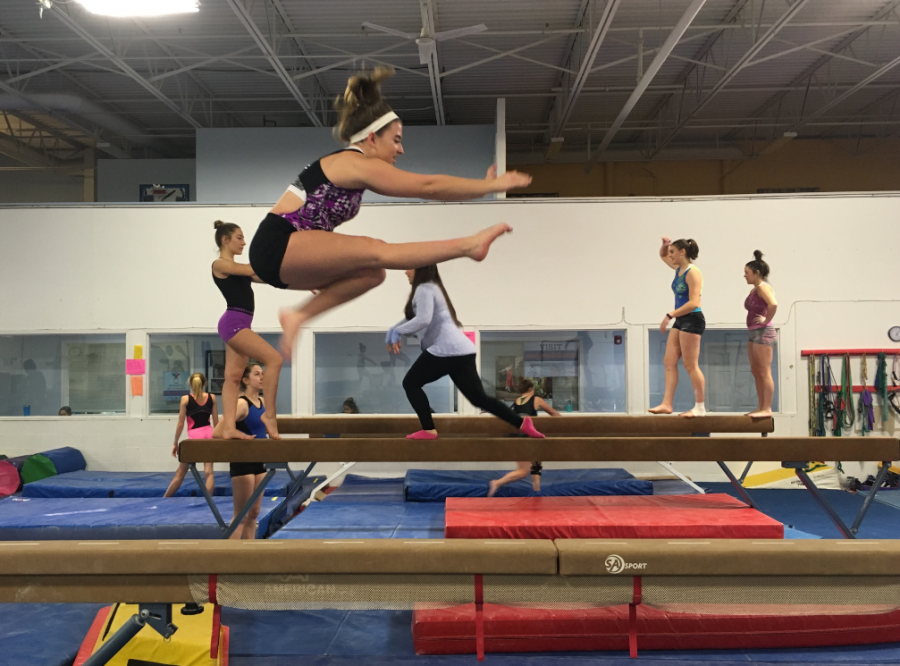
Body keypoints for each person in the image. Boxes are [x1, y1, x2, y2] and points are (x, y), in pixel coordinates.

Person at [248, 67, 531, 360]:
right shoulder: (354, 163)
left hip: (284, 259)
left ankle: (297, 316)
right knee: (375, 250)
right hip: (276, 244)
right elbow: (428, 186)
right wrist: (489, 186)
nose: (401, 149)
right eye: (395, 140)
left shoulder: (353, 168)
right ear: (372, 138)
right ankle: (468, 245)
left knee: (373, 273)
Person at [387, 265, 545, 441]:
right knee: (479, 399)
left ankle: (428, 429)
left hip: (445, 350)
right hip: (463, 350)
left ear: (420, 269)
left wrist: (396, 332)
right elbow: (413, 317)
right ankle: (522, 423)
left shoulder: (424, 288)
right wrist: (393, 330)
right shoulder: (432, 288)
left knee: (411, 383)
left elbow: (423, 319)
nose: (405, 272)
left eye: (409, 268)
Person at [212, 221, 283, 441]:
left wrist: (300, 278)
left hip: (239, 324)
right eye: (239, 238)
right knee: (275, 360)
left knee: (233, 378)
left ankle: (230, 427)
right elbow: (251, 269)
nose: (244, 242)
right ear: (226, 240)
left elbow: (269, 278)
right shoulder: (220, 265)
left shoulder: (239, 270)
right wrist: (274, 253)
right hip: (234, 323)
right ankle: (269, 416)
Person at [649, 237, 706, 418]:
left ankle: (700, 407)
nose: (670, 255)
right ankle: (667, 404)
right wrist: (664, 247)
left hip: (692, 318)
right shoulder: (679, 269)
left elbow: (694, 302)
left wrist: (670, 315)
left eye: (673, 251)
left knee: (690, 364)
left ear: (683, 252)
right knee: (669, 361)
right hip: (681, 319)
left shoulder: (692, 272)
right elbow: (662, 256)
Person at [488, 378, 561, 497]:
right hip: (524, 437)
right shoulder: (536, 399)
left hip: (518, 436)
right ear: (531, 389)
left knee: (536, 461)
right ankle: (497, 483)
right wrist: (568, 423)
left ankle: (536, 489)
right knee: (523, 471)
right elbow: (552, 413)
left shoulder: (517, 400)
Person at [230, 363, 270, 540]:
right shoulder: (241, 404)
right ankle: (227, 560)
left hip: (260, 460)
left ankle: (248, 558)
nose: (262, 377)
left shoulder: (263, 403)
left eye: (262, 373)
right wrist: (240, 434)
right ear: (245, 380)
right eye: (256, 374)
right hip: (243, 461)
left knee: (254, 512)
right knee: (242, 515)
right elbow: (218, 431)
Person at [164, 373, 217, 497]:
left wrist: (175, 443)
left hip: (194, 438)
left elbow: (181, 424)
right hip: (209, 435)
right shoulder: (212, 398)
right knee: (209, 472)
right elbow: (216, 422)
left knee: (180, 472)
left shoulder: (186, 399)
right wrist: (218, 440)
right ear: (204, 383)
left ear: (190, 384)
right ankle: (208, 502)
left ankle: (165, 498)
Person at [744, 250, 778, 418]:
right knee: (756, 371)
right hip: (754, 333)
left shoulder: (763, 288)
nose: (744, 276)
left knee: (764, 371)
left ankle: (767, 408)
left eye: (747, 273)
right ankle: (760, 406)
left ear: (757, 273)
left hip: (763, 332)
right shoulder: (754, 289)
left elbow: (773, 304)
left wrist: (765, 320)